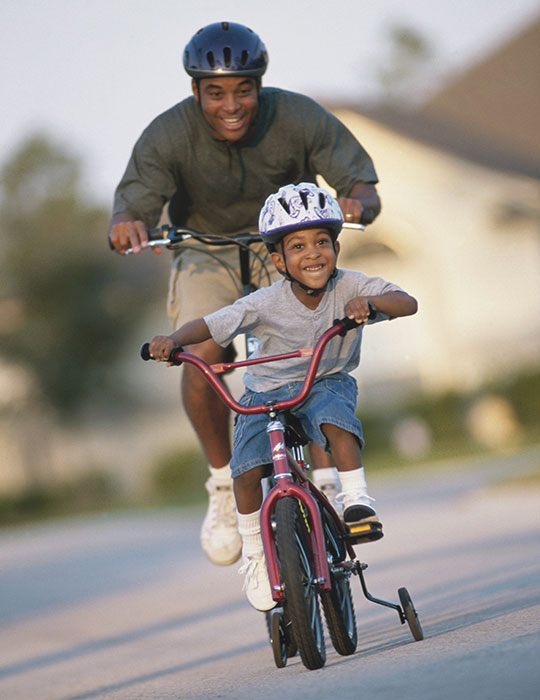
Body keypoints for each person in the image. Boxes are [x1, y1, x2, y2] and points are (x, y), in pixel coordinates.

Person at [108, 21, 382, 568]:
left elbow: (360, 183)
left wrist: (358, 199)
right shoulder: (169, 133)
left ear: (260, 84)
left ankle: (327, 477)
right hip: (203, 249)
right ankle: (220, 483)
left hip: (282, 247)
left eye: (243, 89)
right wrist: (127, 222)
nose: (230, 104)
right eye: (215, 92)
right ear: (196, 93)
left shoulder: (297, 115)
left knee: (314, 345)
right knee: (201, 354)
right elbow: (133, 202)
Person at [148, 182, 418, 610]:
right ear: (278, 260)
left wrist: (370, 303)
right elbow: (212, 323)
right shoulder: (262, 302)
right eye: (297, 246)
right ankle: (255, 556)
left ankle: (357, 502)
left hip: (323, 379)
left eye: (322, 242)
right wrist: (173, 340)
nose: (312, 253)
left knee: (334, 417)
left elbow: (408, 301)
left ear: (337, 248)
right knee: (245, 470)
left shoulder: (351, 288)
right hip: (265, 393)